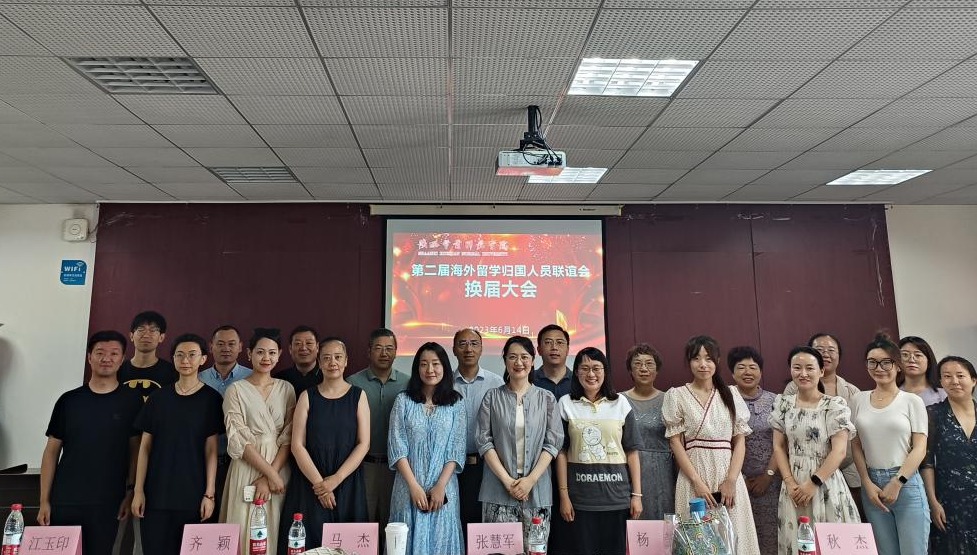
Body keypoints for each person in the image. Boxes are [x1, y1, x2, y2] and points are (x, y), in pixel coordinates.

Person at [38, 330, 143, 555]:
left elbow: (136, 451)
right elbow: (51, 452)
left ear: (122, 359)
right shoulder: (69, 401)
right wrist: (44, 501)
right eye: (100, 352)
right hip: (65, 500)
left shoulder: (132, 401)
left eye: (114, 353)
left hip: (109, 501)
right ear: (89, 357)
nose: (107, 358)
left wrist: (130, 492)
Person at [662, 335, 760, 554]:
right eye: (696, 358)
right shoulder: (677, 395)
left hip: (728, 476)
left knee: (735, 539)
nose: (703, 364)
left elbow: (740, 441)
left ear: (717, 361)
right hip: (693, 477)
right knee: (695, 542)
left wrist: (731, 480)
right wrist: (697, 483)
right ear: (689, 362)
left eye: (708, 358)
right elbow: (676, 443)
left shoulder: (731, 394)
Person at [131, 333, 224, 555]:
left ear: (203, 359)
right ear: (172, 359)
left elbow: (211, 450)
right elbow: (145, 447)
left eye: (192, 355)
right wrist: (138, 490)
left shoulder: (211, 399)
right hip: (156, 494)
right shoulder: (158, 398)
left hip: (194, 495)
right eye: (179, 355)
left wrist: (209, 494)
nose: (185, 360)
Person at [279, 337, 369, 552]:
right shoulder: (307, 396)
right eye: (326, 358)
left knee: (347, 546)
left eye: (338, 357)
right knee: (310, 543)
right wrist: (321, 486)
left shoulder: (358, 395)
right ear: (319, 362)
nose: (332, 362)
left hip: (346, 480)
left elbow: (363, 444)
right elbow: (297, 445)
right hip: (310, 481)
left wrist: (336, 479)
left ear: (346, 361)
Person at [770, 346, 860, 555]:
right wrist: (789, 482)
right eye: (797, 368)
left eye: (809, 368)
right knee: (797, 543)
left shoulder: (834, 405)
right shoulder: (783, 404)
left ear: (821, 371)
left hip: (825, 482)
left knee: (833, 545)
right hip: (793, 484)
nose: (803, 373)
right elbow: (778, 446)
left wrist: (813, 483)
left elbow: (839, 451)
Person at [476, 336, 562, 548]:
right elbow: (484, 441)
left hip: (537, 491)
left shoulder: (546, 398)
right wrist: (507, 481)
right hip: (497, 490)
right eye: (512, 357)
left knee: (535, 550)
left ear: (533, 360)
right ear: (505, 360)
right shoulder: (492, 397)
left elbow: (552, 443)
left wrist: (530, 480)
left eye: (524, 357)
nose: (519, 362)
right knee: (499, 551)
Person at [556, 347, 641, 555]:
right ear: (576, 372)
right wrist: (564, 495)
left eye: (596, 368)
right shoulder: (566, 403)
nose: (591, 374)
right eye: (584, 368)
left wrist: (637, 495)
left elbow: (632, 451)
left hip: (617, 499)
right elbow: (561, 452)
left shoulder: (620, 403)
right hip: (580, 501)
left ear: (605, 371)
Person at [851, 333, 929, 555]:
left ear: (898, 365)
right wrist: (866, 482)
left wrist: (898, 481)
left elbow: (920, 448)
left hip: (906, 483)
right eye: (872, 362)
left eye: (886, 362)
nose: (879, 368)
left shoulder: (912, 401)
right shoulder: (858, 400)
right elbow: (855, 445)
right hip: (872, 486)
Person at [221, 328, 296, 555]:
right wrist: (269, 475)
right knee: (245, 527)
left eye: (272, 353)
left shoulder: (286, 389)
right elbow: (238, 438)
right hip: (247, 466)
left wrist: (271, 475)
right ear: (249, 353)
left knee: (274, 529)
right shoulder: (235, 390)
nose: (266, 358)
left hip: (279, 465)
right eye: (260, 352)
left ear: (279, 354)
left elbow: (288, 437)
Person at [388, 342, 466, 555]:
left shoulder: (456, 403)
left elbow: (456, 449)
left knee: (442, 540)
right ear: (417, 369)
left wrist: (440, 486)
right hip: (408, 487)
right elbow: (397, 446)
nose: (430, 369)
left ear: (444, 367)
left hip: (444, 489)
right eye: (424, 364)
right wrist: (413, 486)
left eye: (435, 364)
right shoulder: (403, 401)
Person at [786, 332, 863, 515]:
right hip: (804, 473)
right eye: (820, 350)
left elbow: (856, 434)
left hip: (848, 466)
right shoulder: (791, 391)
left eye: (831, 350)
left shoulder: (852, 391)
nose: (826, 354)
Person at [347, 328, 410, 532]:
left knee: (392, 525)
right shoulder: (353, 383)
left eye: (389, 348)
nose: (384, 353)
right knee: (363, 524)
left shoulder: (408, 383)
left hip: (397, 468)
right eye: (378, 348)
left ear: (396, 352)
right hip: (363, 466)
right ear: (368, 351)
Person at [728, 345, 780, 554]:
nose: (747, 372)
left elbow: (782, 443)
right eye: (741, 367)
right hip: (734, 483)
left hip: (771, 482)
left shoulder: (776, 401)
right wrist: (738, 478)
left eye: (753, 367)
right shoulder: (724, 399)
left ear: (761, 371)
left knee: (771, 536)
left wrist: (768, 476)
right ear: (732, 373)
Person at [922, 356, 977, 554]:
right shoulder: (932, 414)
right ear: (941, 382)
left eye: (960, 375)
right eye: (947, 376)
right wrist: (933, 502)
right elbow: (927, 462)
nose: (954, 381)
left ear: (973, 380)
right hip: (948, 501)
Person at [451, 328, 504, 535]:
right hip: (450, 467)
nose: (468, 349)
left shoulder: (496, 383)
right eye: (462, 344)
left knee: (481, 525)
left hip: (486, 466)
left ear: (482, 349)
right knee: (454, 523)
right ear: (454, 350)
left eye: (474, 344)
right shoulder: (444, 383)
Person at [199, 324, 252, 522]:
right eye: (220, 344)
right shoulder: (198, 378)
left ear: (240, 347)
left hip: (241, 461)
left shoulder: (252, 378)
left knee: (235, 518)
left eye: (231, 344)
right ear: (211, 346)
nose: (226, 348)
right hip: (204, 460)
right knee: (205, 517)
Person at [620, 342, 675, 520]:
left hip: (664, 472)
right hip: (629, 470)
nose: (643, 369)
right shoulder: (619, 400)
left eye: (649, 364)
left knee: (665, 522)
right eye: (637, 364)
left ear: (657, 370)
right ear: (630, 370)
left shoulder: (669, 399)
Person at [118, 310, 178, 401]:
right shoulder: (118, 370)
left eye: (153, 330)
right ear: (131, 336)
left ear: (161, 337)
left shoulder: (172, 372)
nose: (146, 335)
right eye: (141, 330)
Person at [899, 336, 947, 406]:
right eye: (905, 355)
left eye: (918, 355)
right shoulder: (892, 394)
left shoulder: (943, 394)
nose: (911, 360)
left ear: (929, 361)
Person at [276, 325, 322, 397]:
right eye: (298, 343)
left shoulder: (328, 377)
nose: (303, 348)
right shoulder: (280, 379)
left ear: (317, 347)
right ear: (290, 349)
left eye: (309, 343)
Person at [532, 324, 572, 401]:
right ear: (539, 350)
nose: (554, 347)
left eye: (559, 342)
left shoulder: (579, 381)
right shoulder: (529, 381)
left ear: (567, 350)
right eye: (548, 342)